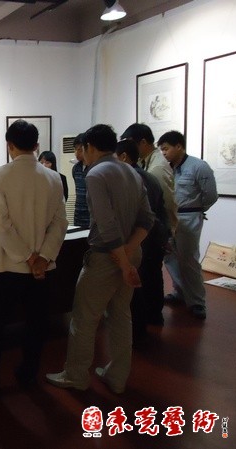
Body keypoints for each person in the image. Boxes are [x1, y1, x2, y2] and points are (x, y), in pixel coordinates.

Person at [0, 119, 68, 398]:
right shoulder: (53, 177)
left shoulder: (0, 175)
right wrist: (42, 258)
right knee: (36, 324)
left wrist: (27, 257)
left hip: (8, 266)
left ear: (9, 146)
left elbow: (2, 225)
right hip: (42, 269)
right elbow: (60, 223)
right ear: (37, 145)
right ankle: (28, 373)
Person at [46, 124, 154, 395]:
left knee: (84, 317)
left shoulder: (96, 173)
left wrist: (123, 262)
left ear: (90, 147)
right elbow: (147, 220)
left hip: (108, 257)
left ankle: (76, 375)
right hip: (130, 252)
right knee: (120, 315)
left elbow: (106, 225)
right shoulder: (131, 171)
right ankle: (117, 376)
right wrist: (129, 253)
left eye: (83, 149)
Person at [158, 131, 218, 320]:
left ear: (179, 146)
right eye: (161, 150)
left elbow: (211, 195)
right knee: (170, 257)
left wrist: (197, 210)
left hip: (189, 217)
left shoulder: (198, 166)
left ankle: (197, 302)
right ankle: (181, 292)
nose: (163, 153)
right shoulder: (166, 168)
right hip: (169, 217)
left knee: (189, 259)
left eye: (166, 148)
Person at [116, 139, 170, 340]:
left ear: (123, 157)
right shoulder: (149, 177)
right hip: (156, 235)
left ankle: (138, 330)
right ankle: (155, 316)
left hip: (141, 237)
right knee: (153, 276)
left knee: (136, 283)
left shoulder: (130, 179)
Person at [121, 123, 178, 236]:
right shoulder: (141, 161)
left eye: (131, 144)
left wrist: (168, 230)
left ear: (143, 142)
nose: (128, 149)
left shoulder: (157, 167)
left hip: (158, 229)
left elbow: (166, 203)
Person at [72, 133, 90, 228]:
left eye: (80, 150)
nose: (76, 153)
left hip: (91, 214)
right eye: (75, 149)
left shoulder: (94, 167)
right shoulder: (76, 168)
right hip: (78, 213)